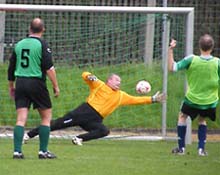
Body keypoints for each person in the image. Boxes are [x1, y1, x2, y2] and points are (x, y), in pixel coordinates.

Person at [23, 71, 166, 146]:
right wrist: (90, 77)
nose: (119, 83)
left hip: (95, 119)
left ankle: (79, 139)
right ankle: (29, 135)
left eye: (120, 82)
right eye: (116, 80)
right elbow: (84, 74)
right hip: (84, 112)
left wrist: (153, 99)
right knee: (56, 124)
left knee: (104, 130)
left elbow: (136, 100)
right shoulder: (100, 85)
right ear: (109, 80)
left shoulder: (121, 96)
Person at [8, 18, 60, 159]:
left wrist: (11, 86)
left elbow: (11, 67)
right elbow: (49, 68)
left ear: (29, 29)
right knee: (46, 117)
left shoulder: (19, 44)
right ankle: (43, 151)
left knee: (21, 119)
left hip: (21, 83)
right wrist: (56, 86)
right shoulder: (42, 44)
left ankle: (17, 151)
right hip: (36, 83)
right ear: (43, 30)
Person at [168, 34, 220, 156]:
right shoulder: (217, 62)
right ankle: (201, 149)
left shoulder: (191, 59)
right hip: (210, 101)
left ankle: (181, 148)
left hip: (192, 99)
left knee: (182, 116)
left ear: (199, 46)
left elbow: (172, 67)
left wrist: (170, 50)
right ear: (212, 47)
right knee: (202, 120)